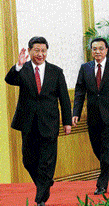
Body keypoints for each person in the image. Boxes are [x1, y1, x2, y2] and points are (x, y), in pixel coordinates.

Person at [5, 36, 72, 206]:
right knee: (28, 160)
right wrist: (18, 65)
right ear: (29, 51)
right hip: (27, 121)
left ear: (46, 52)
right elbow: (9, 80)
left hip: (49, 122)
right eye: (37, 50)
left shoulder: (56, 72)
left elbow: (64, 99)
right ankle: (45, 183)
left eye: (43, 51)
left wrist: (67, 122)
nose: (40, 54)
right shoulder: (23, 69)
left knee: (47, 160)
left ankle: (40, 198)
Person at [72, 37, 109, 195]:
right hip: (93, 115)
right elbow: (79, 91)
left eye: (100, 48)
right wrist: (75, 112)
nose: (97, 51)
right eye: (94, 49)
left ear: (106, 50)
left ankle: (102, 184)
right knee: (98, 149)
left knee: (107, 150)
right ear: (91, 51)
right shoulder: (85, 68)